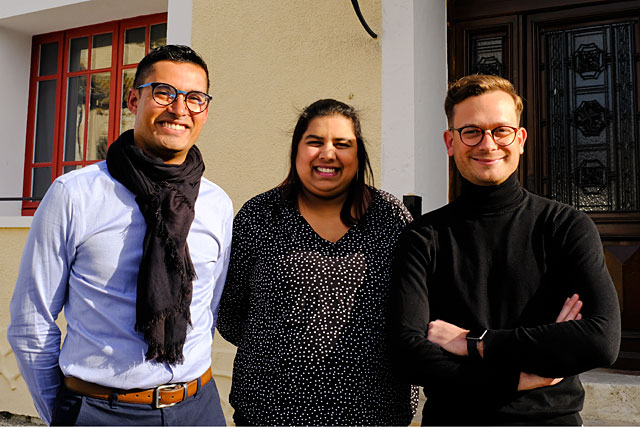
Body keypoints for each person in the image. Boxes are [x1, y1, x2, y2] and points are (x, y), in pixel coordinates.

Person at [8, 45, 233, 426]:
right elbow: (32, 322)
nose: (179, 110)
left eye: (195, 98)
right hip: (100, 410)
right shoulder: (74, 194)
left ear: (205, 111)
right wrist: (66, 416)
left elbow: (206, 310)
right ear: (134, 98)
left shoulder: (217, 203)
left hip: (198, 408)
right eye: (164, 93)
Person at [390, 74, 621, 425]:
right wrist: (522, 374)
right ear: (450, 142)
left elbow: (601, 340)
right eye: (472, 131)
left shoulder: (565, 226)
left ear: (521, 139)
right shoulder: (423, 236)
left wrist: (474, 342)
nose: (488, 144)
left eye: (501, 130)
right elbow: (407, 354)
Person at [216, 98, 416, 425]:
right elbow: (229, 312)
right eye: (314, 142)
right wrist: (282, 349)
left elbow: (413, 309)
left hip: (374, 413)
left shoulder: (390, 218)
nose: (327, 153)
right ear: (296, 150)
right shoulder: (259, 217)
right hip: (271, 413)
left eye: (342, 144)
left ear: (358, 154)